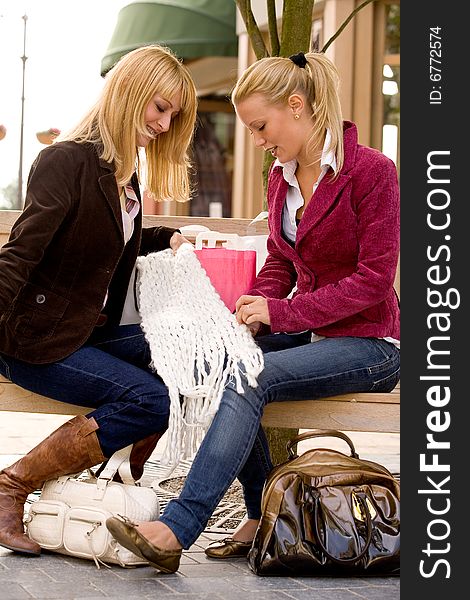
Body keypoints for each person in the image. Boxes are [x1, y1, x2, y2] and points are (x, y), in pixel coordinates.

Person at [105, 50, 400, 573]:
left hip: (370, 342)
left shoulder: (372, 173)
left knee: (247, 375)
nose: (259, 141)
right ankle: (265, 509)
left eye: (262, 127)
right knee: (223, 359)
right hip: (308, 334)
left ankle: (177, 528)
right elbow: (282, 264)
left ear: (297, 105)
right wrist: (255, 309)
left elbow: (373, 282)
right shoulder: (281, 177)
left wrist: (281, 314)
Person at [0, 44, 197, 556]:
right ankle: (13, 485)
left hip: (89, 331)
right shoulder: (65, 160)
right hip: (37, 339)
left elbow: (104, 235)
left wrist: (162, 238)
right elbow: (20, 254)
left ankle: (108, 489)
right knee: (150, 398)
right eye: (159, 106)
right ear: (129, 93)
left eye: (172, 114)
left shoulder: (124, 171)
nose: (163, 121)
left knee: (183, 359)